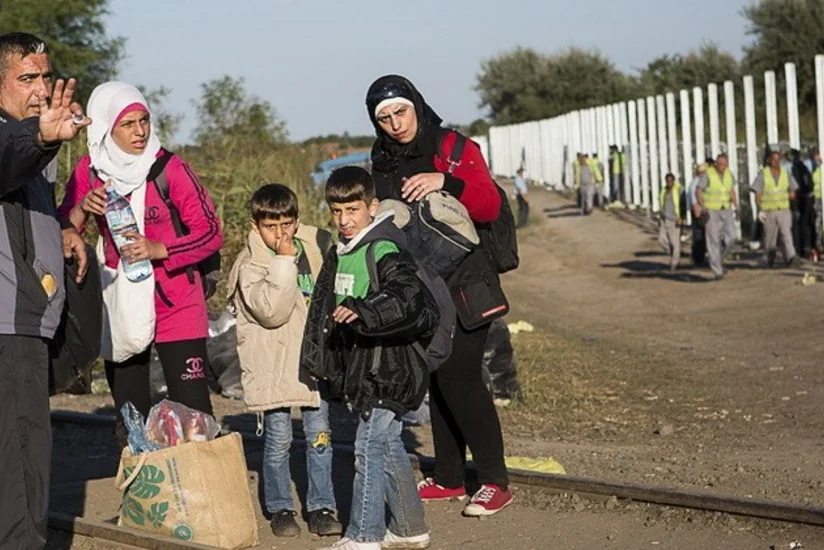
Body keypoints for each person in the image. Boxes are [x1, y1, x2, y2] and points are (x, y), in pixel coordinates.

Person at [364, 75, 513, 517]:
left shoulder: (452, 147)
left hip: (467, 285)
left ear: (416, 105)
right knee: (436, 378)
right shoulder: (382, 159)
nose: (395, 124)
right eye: (385, 117)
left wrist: (443, 180)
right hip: (422, 289)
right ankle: (449, 477)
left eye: (401, 112)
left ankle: (494, 480)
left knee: (460, 378)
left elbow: (488, 205)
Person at [58, 82, 223, 441]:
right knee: (131, 419)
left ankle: (202, 496)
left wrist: (159, 249)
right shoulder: (90, 170)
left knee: (194, 418)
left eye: (144, 120)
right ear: (106, 128)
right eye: (128, 124)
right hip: (120, 304)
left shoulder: (168, 168)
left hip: (176, 302)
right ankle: (144, 497)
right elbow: (63, 230)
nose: (140, 131)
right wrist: (82, 207)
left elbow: (210, 232)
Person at [305, 166, 435, 550]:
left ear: (372, 207)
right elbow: (323, 312)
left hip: (392, 368)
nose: (344, 220)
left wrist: (366, 311)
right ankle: (411, 528)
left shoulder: (384, 249)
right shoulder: (341, 252)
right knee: (389, 444)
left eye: (353, 210)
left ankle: (364, 535)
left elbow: (407, 296)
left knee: (368, 447)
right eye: (336, 212)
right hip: (366, 368)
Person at [0, 32, 90, 549]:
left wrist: (63, 227)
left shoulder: (32, 141)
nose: (40, 88)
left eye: (45, 77)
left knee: (24, 460)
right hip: (8, 330)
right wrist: (40, 137)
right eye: (26, 78)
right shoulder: (20, 139)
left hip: (28, 326)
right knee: (19, 468)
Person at [227, 183, 341, 538]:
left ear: (296, 221)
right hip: (273, 367)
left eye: (287, 224)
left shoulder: (314, 247)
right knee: (278, 439)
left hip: (310, 363)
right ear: (255, 224)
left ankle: (322, 505)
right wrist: (282, 260)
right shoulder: (251, 265)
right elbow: (273, 312)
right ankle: (280, 507)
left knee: (319, 437)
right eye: (270, 226)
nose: (280, 233)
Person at [751, 150, 802, 268]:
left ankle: (791, 257)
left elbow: (793, 191)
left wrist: (793, 198)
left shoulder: (786, 173)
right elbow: (758, 193)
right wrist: (760, 210)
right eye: (774, 159)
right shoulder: (763, 175)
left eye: (778, 159)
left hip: (784, 209)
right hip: (769, 211)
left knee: (786, 234)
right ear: (769, 160)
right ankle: (769, 257)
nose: (776, 162)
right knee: (770, 238)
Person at [695, 154, 738, 280]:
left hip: (726, 209)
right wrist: (702, 206)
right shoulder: (708, 174)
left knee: (731, 237)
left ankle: (718, 258)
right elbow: (699, 191)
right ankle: (717, 271)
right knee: (713, 240)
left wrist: (736, 204)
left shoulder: (729, 174)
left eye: (725, 165)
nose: (723, 167)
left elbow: (731, 190)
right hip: (712, 210)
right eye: (720, 164)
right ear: (716, 164)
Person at [658, 173, 682, 271]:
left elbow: (681, 204)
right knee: (661, 239)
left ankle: (674, 264)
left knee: (675, 243)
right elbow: (661, 203)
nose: (669, 183)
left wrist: (681, 217)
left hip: (674, 219)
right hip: (664, 218)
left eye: (671, 181)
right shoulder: (663, 190)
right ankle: (670, 253)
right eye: (667, 181)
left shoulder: (678, 190)